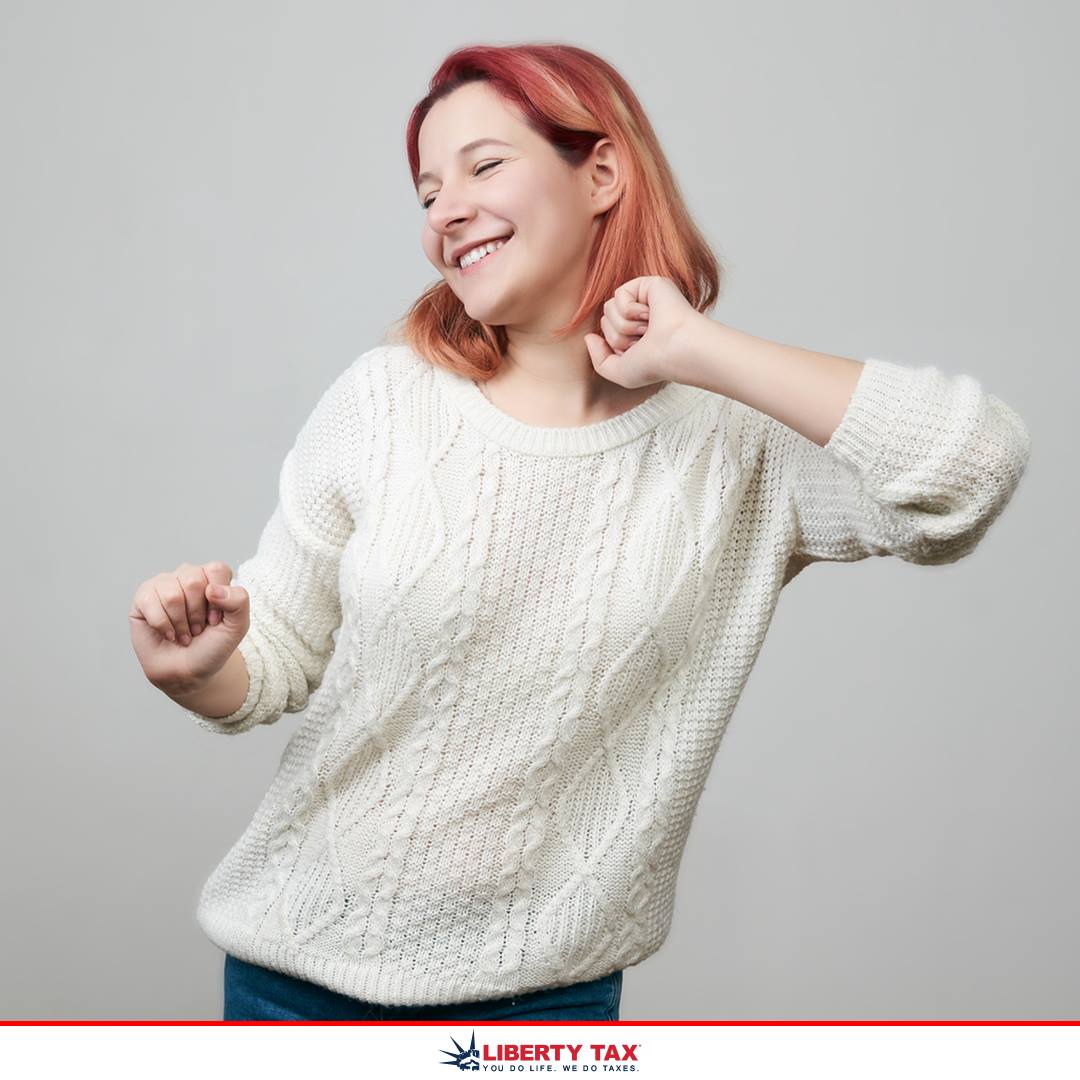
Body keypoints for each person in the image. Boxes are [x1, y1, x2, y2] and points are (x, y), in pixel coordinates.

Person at [128, 43, 1031, 1022]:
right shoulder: (384, 401)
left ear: (601, 174)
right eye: (428, 193)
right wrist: (197, 670)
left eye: (483, 166)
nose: (445, 212)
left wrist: (699, 350)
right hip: (292, 985)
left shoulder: (738, 445)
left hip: (542, 1006)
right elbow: (274, 653)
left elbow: (971, 468)